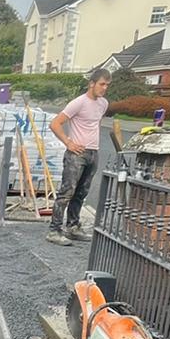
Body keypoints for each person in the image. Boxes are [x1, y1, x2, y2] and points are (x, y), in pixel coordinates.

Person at [46, 67, 111, 246]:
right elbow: (55, 123)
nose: (104, 88)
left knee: (81, 193)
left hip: (93, 152)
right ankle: (54, 230)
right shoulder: (78, 103)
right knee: (67, 192)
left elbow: (93, 124)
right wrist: (69, 142)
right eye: (101, 84)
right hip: (76, 154)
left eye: (107, 85)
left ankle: (73, 227)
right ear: (91, 84)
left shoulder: (103, 104)